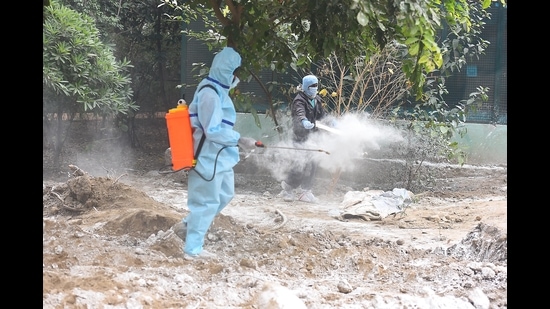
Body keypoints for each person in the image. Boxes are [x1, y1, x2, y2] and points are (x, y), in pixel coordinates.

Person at [172, 46, 257, 260]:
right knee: (206, 203)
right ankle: (192, 250)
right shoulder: (209, 93)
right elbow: (212, 131)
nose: (236, 77)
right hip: (206, 158)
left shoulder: (220, 92)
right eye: (234, 72)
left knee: (224, 195)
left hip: (220, 158)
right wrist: (240, 140)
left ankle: (187, 226)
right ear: (225, 70)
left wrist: (236, 144)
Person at [280, 74, 329, 203]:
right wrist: (304, 121)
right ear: (306, 87)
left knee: (313, 164)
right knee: (299, 165)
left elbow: (322, 115)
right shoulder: (299, 100)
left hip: (312, 137)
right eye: (312, 86)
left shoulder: (316, 99)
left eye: (316, 85)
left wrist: (330, 121)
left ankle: (306, 192)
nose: (315, 88)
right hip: (300, 137)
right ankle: (287, 189)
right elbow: (300, 112)